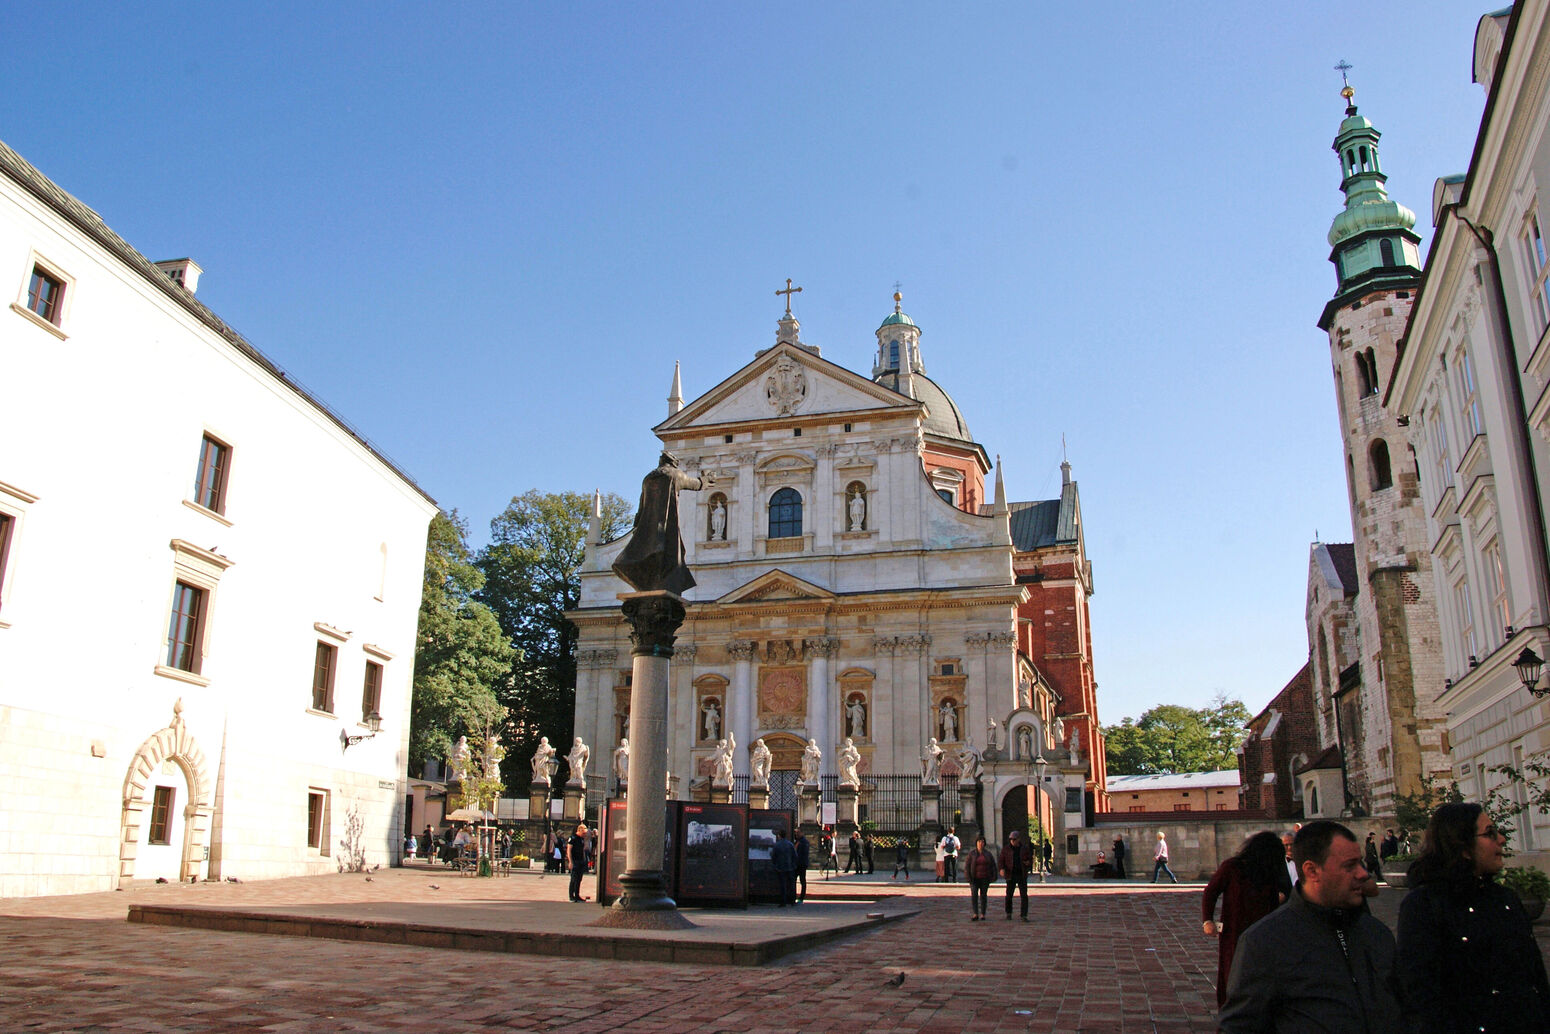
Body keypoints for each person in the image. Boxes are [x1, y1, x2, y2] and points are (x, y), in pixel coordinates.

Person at [1218, 820, 1406, 1034]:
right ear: (1312, 871)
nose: (1363, 874)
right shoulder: (1265, 942)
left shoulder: (1376, 934)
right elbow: (1239, 1026)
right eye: (1349, 866)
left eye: (1360, 863)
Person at [1396, 802, 1550, 1033]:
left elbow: (1534, 977)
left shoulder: (1505, 899)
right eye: (1489, 834)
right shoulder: (1425, 905)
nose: (1501, 840)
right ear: (1462, 846)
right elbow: (1422, 994)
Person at [1202, 831, 1292, 1008]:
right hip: (1235, 932)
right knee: (1232, 974)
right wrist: (1207, 920)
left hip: (1264, 932)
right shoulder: (1232, 867)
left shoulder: (1270, 871)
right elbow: (1211, 892)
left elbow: (1284, 890)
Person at [1000, 829, 1034, 920]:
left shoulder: (1024, 848)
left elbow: (1030, 859)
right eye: (1011, 839)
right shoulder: (1006, 849)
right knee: (1009, 895)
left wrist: (1028, 863)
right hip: (1010, 874)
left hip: (1021, 874)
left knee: (1024, 895)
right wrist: (1001, 869)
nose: (1012, 841)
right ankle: (1009, 912)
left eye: (1014, 839)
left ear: (1018, 839)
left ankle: (1024, 915)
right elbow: (1001, 860)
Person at [964, 834, 997, 921]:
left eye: (982, 842)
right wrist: (968, 877)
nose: (980, 843)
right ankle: (975, 913)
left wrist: (993, 876)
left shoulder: (988, 854)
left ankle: (983, 913)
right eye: (979, 842)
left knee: (983, 896)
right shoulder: (972, 854)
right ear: (976, 843)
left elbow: (993, 865)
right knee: (974, 896)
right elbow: (967, 866)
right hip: (974, 878)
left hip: (985, 877)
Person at [769, 828, 798, 907]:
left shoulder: (777, 845)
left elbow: (773, 856)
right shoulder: (790, 844)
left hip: (780, 867)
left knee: (783, 885)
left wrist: (775, 865)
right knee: (792, 884)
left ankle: (783, 901)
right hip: (790, 867)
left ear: (779, 836)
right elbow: (795, 856)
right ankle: (792, 901)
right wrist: (793, 864)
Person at [566, 823, 589, 902]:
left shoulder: (581, 839)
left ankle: (577, 895)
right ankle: (571, 896)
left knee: (579, 879)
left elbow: (582, 850)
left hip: (580, 861)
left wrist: (584, 860)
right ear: (579, 830)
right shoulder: (572, 838)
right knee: (574, 879)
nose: (584, 835)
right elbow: (569, 850)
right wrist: (570, 861)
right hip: (574, 861)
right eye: (583, 833)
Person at [792, 829, 809, 902]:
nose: (796, 834)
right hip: (798, 863)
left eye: (798, 832)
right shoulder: (798, 841)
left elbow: (801, 853)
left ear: (802, 833)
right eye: (796, 833)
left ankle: (801, 897)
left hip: (801, 863)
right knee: (794, 880)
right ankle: (794, 895)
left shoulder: (803, 842)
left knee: (802, 880)